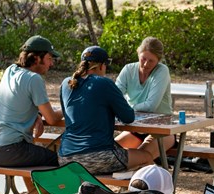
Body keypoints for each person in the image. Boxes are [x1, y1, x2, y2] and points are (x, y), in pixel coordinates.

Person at [0, 35, 63, 194]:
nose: (51, 64)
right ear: (36, 58)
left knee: (40, 155)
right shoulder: (34, 79)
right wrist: (65, 110)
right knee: (65, 165)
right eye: (49, 58)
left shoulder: (10, 70)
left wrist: (35, 114)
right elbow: (52, 117)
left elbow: (14, 100)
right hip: (11, 150)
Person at [57, 46, 162, 174]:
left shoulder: (66, 83)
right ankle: (139, 192)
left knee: (122, 153)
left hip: (64, 157)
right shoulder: (104, 83)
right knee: (146, 157)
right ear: (102, 66)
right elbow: (128, 117)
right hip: (97, 157)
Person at [114, 37, 175, 153]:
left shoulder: (162, 71)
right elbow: (114, 97)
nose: (146, 64)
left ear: (158, 60)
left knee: (142, 156)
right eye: (143, 59)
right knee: (112, 152)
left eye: (151, 61)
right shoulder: (128, 69)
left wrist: (124, 109)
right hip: (136, 128)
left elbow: (150, 106)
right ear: (138, 54)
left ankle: (158, 171)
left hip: (162, 130)